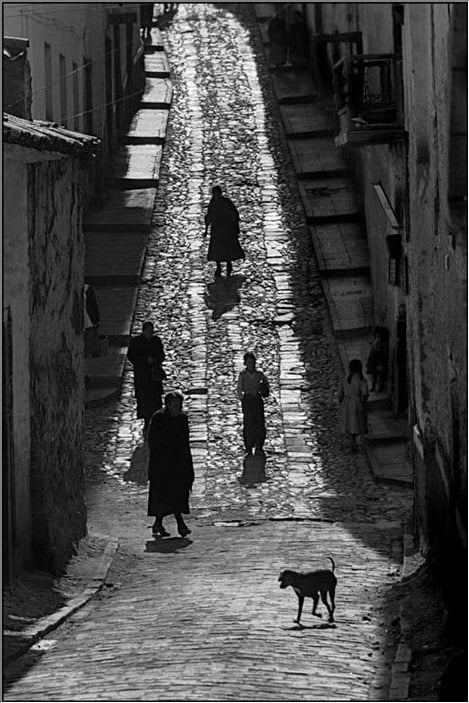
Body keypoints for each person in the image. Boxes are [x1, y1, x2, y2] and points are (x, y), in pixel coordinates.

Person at [147, 391, 194, 537]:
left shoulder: (182, 418)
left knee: (176, 494)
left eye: (178, 404)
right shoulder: (159, 418)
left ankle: (158, 523)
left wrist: (188, 465)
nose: (176, 407)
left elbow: (185, 443)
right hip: (162, 464)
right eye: (173, 404)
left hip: (179, 463)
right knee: (167, 494)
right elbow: (153, 441)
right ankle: (181, 525)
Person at [127, 321, 166, 437]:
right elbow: (132, 356)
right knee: (144, 400)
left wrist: (155, 360)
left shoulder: (156, 341)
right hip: (142, 376)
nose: (150, 334)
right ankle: (147, 422)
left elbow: (161, 355)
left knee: (155, 399)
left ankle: (156, 420)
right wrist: (144, 361)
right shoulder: (136, 342)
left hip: (154, 377)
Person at [204, 185, 245, 278]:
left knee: (226, 247)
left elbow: (234, 214)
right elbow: (209, 215)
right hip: (217, 229)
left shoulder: (225, 202)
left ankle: (228, 264)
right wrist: (206, 228)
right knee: (218, 248)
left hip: (226, 228)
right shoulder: (213, 203)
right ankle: (218, 266)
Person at [237, 352, 270, 456]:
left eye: (252, 362)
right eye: (248, 362)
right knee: (248, 423)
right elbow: (239, 388)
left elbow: (266, 385)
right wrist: (242, 399)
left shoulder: (259, 374)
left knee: (259, 422)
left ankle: (259, 444)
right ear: (245, 363)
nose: (251, 364)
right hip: (247, 399)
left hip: (256, 399)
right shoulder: (242, 375)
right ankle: (248, 445)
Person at [338, 359, 369, 451]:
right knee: (356, 423)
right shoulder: (361, 381)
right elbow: (365, 394)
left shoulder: (345, 380)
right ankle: (354, 443)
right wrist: (364, 401)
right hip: (357, 403)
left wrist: (342, 402)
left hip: (346, 404)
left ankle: (352, 443)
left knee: (349, 423)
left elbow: (340, 395)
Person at [366, 326, 389, 392]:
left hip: (379, 359)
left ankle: (379, 387)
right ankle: (374, 387)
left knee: (379, 374)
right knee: (374, 374)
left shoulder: (382, 342)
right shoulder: (377, 339)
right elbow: (374, 347)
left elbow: (382, 351)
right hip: (374, 358)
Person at [84, 283, 100, 358]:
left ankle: (89, 353)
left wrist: (97, 319)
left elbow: (94, 305)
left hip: (88, 317)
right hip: (84, 316)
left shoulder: (88, 289)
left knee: (89, 335)